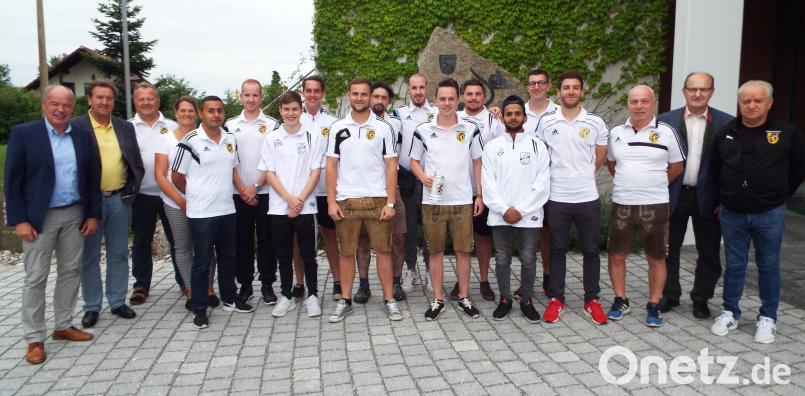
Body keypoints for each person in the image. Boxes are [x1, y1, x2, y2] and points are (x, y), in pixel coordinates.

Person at [5, 85, 101, 364]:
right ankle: (34, 338)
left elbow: (92, 178)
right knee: (36, 276)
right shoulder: (25, 134)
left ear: (73, 108)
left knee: (71, 271)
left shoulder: (81, 136)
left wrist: (92, 214)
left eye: (66, 105)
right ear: (44, 105)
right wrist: (20, 219)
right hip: (39, 218)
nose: (60, 110)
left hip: (74, 213)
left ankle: (63, 325)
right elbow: (12, 181)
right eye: (55, 104)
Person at [709, 80, 805, 344]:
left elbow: (798, 168)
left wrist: (780, 196)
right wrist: (722, 199)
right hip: (733, 212)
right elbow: (716, 170)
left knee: (768, 265)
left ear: (769, 103)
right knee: (735, 264)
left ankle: (768, 317)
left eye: (757, 101)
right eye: (745, 101)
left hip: (769, 212)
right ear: (739, 104)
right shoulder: (726, 132)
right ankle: (730, 311)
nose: (751, 105)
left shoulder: (786, 132)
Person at [172, 96, 255, 329]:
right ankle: (199, 307)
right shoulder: (190, 141)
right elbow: (176, 177)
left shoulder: (230, 138)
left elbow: (232, 168)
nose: (216, 115)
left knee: (229, 257)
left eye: (219, 111)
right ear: (201, 113)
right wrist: (196, 196)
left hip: (227, 208)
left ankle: (229, 297)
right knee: (202, 262)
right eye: (211, 111)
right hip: (201, 213)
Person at [533, 71, 609, 325]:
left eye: (576, 88)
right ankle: (556, 299)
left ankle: (592, 299)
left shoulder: (595, 123)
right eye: (566, 88)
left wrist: (583, 175)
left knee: (590, 250)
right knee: (557, 250)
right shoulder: (546, 122)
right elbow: (541, 155)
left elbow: (600, 156)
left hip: (587, 197)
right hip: (557, 197)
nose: (571, 92)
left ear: (582, 92)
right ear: (559, 92)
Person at [606, 85, 684, 327]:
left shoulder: (667, 132)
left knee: (656, 257)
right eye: (634, 102)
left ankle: (653, 304)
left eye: (644, 101)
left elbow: (677, 167)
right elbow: (612, 164)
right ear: (628, 104)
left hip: (656, 205)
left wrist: (654, 183)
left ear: (653, 104)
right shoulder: (616, 132)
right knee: (617, 255)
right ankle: (620, 300)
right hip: (623, 204)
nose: (639, 106)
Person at [326, 78, 402, 323]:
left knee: (383, 252)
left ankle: (389, 300)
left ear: (371, 97)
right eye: (355, 94)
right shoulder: (337, 128)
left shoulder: (383, 127)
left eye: (364, 94)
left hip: (377, 200)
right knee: (346, 253)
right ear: (348, 95)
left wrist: (390, 203)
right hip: (346, 200)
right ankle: (345, 301)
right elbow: (330, 165)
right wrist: (331, 202)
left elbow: (392, 166)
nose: (359, 98)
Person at [659, 72, 733, 318]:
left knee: (709, 252)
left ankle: (701, 298)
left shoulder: (726, 123)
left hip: (710, 199)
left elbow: (732, 166)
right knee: (669, 249)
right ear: (684, 91)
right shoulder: (665, 121)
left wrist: (725, 200)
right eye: (693, 89)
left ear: (711, 92)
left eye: (703, 89)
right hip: (674, 195)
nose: (697, 94)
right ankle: (670, 295)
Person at [410, 78, 484, 320]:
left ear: (458, 99)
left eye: (451, 98)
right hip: (433, 201)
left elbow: (478, 162)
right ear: (435, 99)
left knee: (463, 251)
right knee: (436, 252)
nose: (447, 103)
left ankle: (463, 297)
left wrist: (480, 194)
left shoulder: (470, 128)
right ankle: (438, 299)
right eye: (442, 98)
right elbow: (413, 162)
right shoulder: (422, 130)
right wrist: (423, 177)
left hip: (462, 199)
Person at [73, 79, 144, 328]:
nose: (104, 102)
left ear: (114, 101)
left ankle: (116, 301)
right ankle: (92, 306)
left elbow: (134, 161)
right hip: (88, 204)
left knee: (119, 253)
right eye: (99, 97)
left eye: (109, 98)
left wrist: (130, 191)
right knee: (89, 256)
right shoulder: (77, 127)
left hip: (118, 200)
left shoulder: (124, 127)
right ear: (90, 99)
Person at [481, 95, 549, 323]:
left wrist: (520, 209)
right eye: (508, 113)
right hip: (500, 215)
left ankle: (527, 300)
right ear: (502, 117)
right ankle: (505, 299)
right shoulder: (492, 147)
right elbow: (487, 181)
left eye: (517, 113)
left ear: (524, 117)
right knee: (502, 259)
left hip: (529, 215)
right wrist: (503, 208)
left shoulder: (537, 146)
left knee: (529, 258)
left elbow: (542, 182)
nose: (513, 117)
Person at [258, 91, 324, 318]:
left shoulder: (313, 136)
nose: (291, 113)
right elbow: (269, 173)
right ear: (281, 111)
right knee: (283, 254)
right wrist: (288, 199)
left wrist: (299, 200)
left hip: (305, 206)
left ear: (301, 110)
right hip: (279, 206)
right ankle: (286, 295)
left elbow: (316, 172)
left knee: (308, 254)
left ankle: (313, 295)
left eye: (295, 109)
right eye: (286, 109)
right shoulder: (271, 138)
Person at [155, 96, 219, 311]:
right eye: (183, 111)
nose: (187, 115)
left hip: (205, 203)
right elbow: (161, 175)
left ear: (198, 113)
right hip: (176, 203)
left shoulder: (204, 137)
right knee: (183, 247)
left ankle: (208, 289)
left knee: (206, 246)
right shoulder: (166, 139)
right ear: (176, 112)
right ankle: (192, 289)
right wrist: (181, 201)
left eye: (191, 111)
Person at [224, 79, 280, 304]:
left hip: (266, 192)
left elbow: (274, 160)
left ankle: (267, 285)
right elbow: (227, 160)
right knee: (242, 242)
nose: (251, 99)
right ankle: (245, 285)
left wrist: (255, 186)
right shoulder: (229, 125)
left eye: (255, 95)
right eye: (246, 95)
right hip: (239, 195)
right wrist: (242, 188)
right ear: (240, 96)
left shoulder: (272, 124)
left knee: (268, 242)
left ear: (261, 97)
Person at [354, 81, 407, 304]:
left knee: (398, 239)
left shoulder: (395, 123)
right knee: (363, 240)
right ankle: (364, 285)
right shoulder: (357, 123)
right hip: (365, 190)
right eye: (375, 97)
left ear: (389, 101)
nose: (379, 101)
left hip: (391, 190)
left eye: (383, 98)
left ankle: (396, 282)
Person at [455, 78, 506, 302]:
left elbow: (499, 152)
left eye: (477, 94)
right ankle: (460, 281)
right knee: (460, 238)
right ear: (462, 97)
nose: (473, 97)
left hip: (483, 190)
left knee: (483, 237)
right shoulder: (454, 118)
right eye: (469, 94)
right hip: (458, 190)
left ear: (483, 97)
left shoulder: (493, 119)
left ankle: (484, 280)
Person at [129, 82, 179, 305]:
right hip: (142, 194)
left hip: (169, 193)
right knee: (141, 241)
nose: (146, 102)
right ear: (135, 102)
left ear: (157, 101)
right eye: (142, 99)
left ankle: (183, 280)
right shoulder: (127, 128)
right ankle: (141, 285)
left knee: (178, 239)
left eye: (150, 99)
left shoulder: (172, 126)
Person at [300, 75, 342, 301]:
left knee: (329, 235)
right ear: (303, 93)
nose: (313, 95)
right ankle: (299, 283)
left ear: (323, 93)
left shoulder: (334, 122)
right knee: (299, 239)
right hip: (302, 190)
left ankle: (337, 281)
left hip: (326, 189)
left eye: (317, 91)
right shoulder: (295, 119)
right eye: (309, 90)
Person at [394, 74, 436, 293]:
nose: (418, 92)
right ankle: (411, 271)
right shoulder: (399, 114)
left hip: (430, 180)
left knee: (430, 229)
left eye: (422, 87)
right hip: (407, 179)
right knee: (409, 228)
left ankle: (430, 272)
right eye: (414, 88)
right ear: (408, 90)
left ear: (427, 88)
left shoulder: (437, 112)